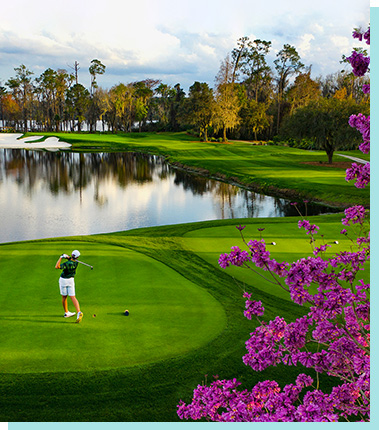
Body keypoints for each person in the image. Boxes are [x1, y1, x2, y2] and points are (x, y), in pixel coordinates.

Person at [55, 249, 83, 323]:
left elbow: (57, 266)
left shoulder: (67, 264)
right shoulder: (76, 263)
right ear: (77, 257)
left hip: (63, 280)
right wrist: (67, 257)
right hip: (71, 280)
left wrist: (61, 257)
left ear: (72, 254)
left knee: (64, 297)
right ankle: (79, 312)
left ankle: (66, 312)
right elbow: (72, 259)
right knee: (73, 297)